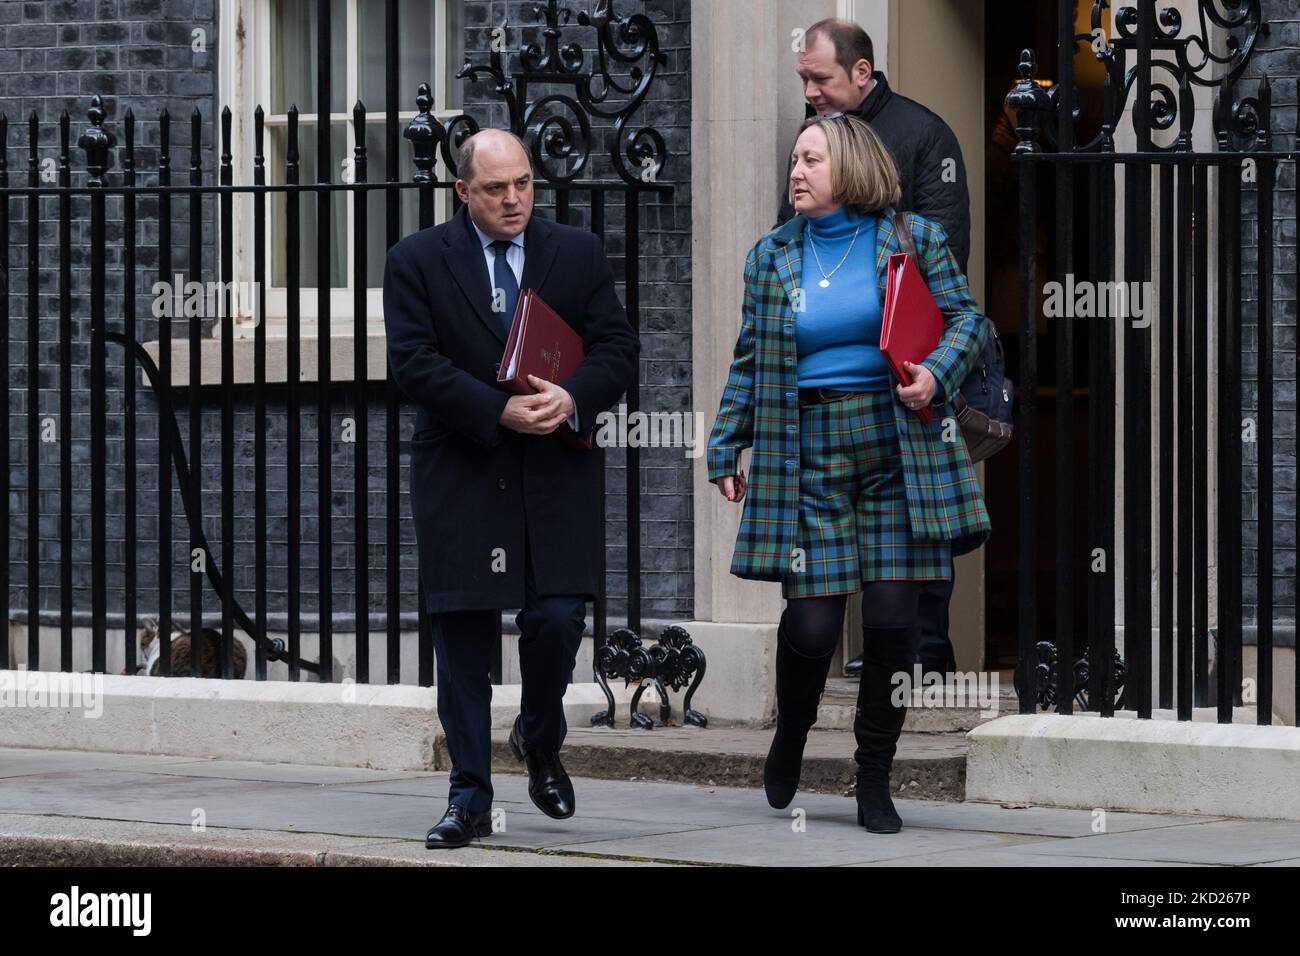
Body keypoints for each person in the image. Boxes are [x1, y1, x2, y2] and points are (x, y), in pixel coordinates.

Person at [708, 114, 990, 833]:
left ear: (853, 168)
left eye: (810, 160)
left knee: (894, 622)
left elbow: (968, 323)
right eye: (794, 161)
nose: (795, 172)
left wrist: (935, 374)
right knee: (811, 623)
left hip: (898, 443)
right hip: (809, 450)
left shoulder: (911, 238)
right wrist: (724, 445)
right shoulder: (771, 257)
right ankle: (793, 732)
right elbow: (750, 359)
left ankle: (874, 777)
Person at [384, 129, 639, 849]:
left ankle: (539, 734)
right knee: (461, 637)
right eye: (496, 188)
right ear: (463, 192)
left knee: (558, 618)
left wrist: (572, 396)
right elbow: (413, 363)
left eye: (523, 183)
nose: (514, 199)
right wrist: (494, 408)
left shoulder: (577, 252)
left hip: (556, 471)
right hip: (464, 469)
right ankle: (468, 795)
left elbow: (618, 346)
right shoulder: (415, 261)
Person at [779, 17, 974, 679]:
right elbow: (792, 246)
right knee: (854, 522)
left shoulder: (923, 135)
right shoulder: (815, 144)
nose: (809, 91)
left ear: (861, 73)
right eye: (804, 78)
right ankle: (886, 650)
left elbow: (944, 255)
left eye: (820, 78)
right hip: (832, 385)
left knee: (920, 512)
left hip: (909, 363)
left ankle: (928, 654)